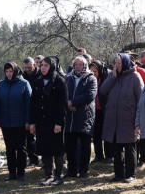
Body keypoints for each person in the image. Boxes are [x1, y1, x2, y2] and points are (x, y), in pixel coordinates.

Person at [100, 53, 144, 183]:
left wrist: (138, 119)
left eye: (119, 63)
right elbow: (102, 90)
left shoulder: (135, 76)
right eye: (115, 63)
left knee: (130, 147)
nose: (117, 66)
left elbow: (141, 99)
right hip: (113, 119)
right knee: (116, 148)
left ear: (125, 63)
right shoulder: (113, 76)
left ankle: (131, 174)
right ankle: (118, 174)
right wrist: (112, 78)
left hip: (128, 119)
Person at [30, 56, 68, 186]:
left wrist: (59, 123)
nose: (43, 68)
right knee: (45, 148)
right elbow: (33, 104)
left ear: (51, 66)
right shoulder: (38, 81)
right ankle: (48, 175)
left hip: (55, 121)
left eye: (46, 65)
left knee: (57, 149)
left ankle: (58, 175)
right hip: (42, 122)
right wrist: (33, 122)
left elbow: (62, 105)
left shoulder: (59, 81)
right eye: (42, 65)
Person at [0, 62, 32, 181]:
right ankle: (11, 173)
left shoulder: (24, 84)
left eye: (11, 71)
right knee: (9, 149)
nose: (9, 74)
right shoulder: (1, 85)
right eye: (7, 71)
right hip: (6, 122)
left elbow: (29, 104)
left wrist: (27, 121)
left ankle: (20, 173)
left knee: (21, 148)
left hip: (20, 123)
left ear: (15, 71)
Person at [64, 56, 97, 179]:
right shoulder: (68, 78)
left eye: (80, 64)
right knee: (70, 145)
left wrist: (73, 102)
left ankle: (83, 170)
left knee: (84, 145)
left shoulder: (91, 78)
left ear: (84, 66)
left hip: (84, 116)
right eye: (75, 64)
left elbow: (90, 95)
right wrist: (68, 104)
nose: (77, 67)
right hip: (70, 117)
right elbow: (63, 93)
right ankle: (71, 171)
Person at [22, 57, 42, 166]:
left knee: (41, 136)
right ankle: (33, 158)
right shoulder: (23, 76)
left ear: (34, 65)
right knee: (29, 136)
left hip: (39, 108)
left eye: (29, 67)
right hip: (28, 109)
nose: (27, 69)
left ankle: (45, 160)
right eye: (25, 68)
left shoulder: (40, 75)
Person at [90, 60, 108, 164]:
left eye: (95, 71)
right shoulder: (91, 79)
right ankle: (98, 155)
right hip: (94, 110)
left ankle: (109, 155)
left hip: (105, 109)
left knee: (106, 133)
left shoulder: (107, 77)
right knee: (96, 134)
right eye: (91, 71)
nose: (93, 73)